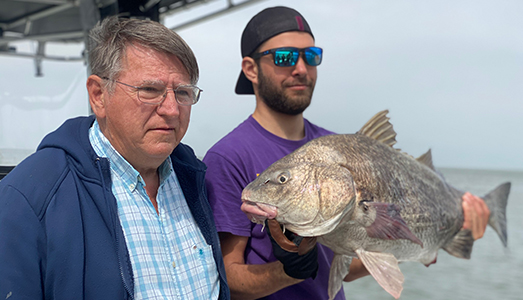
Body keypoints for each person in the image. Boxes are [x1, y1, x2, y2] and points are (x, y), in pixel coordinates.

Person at [203, 6, 490, 300]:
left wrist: (425, 241)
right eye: (285, 57)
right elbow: (227, 280)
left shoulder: (336, 145)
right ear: (251, 69)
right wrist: (290, 270)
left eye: (311, 56)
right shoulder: (228, 157)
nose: (300, 68)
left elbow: (345, 264)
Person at [0, 17, 229, 299]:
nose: (171, 109)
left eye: (182, 92)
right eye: (149, 90)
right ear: (98, 95)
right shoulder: (29, 197)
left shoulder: (193, 178)